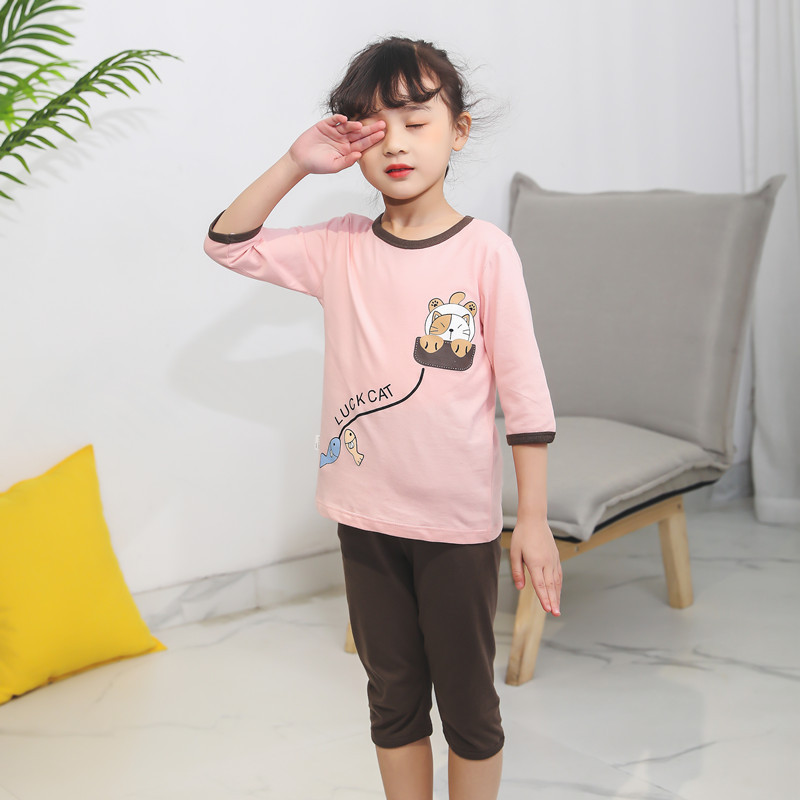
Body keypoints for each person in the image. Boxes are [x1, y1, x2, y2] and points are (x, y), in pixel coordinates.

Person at [203, 35, 562, 800]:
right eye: (374, 126)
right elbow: (227, 243)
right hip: (363, 518)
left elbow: (525, 393)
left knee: (468, 707)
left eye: (416, 121)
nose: (396, 142)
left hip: (456, 527)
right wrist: (297, 162)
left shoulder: (487, 253)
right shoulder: (337, 247)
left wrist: (531, 519)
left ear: (458, 131)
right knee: (392, 698)